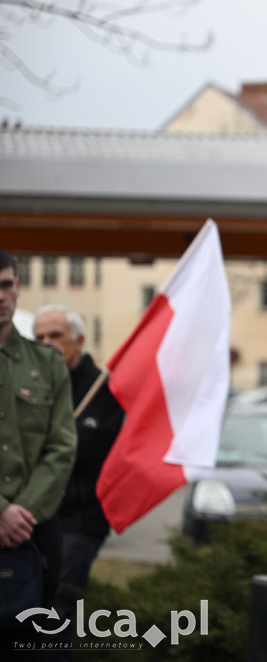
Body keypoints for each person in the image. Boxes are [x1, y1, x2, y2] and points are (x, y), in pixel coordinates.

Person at [33, 304, 124, 658]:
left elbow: (80, 452)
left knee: (57, 606)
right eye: (39, 337)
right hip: (31, 518)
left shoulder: (103, 391)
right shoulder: (30, 382)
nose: (46, 343)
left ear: (79, 341)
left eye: (55, 335)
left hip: (78, 519)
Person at [0, 249, 77, 649]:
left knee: (31, 646)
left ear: (17, 287)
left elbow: (62, 446)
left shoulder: (47, 364)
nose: (1, 296)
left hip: (34, 534)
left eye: (6, 285)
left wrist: (19, 515)